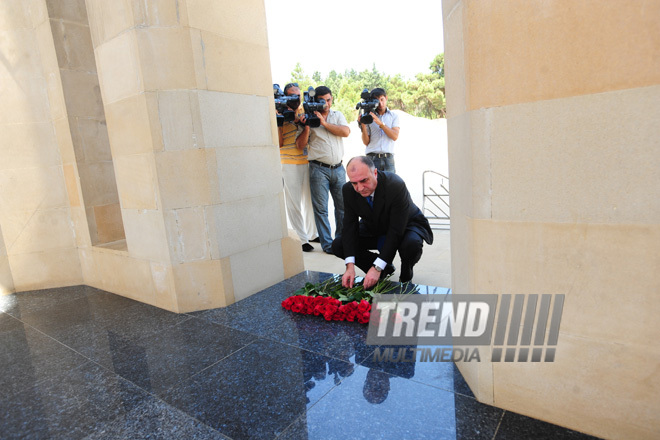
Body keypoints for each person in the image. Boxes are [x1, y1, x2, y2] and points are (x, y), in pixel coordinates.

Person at [332, 156, 433, 289]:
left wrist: (377, 267)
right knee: (339, 244)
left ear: (375, 173)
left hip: (406, 224)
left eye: (364, 181)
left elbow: (396, 231)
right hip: (374, 225)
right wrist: (349, 266)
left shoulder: (395, 185)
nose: (360, 188)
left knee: (411, 244)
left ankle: (406, 274)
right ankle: (384, 269)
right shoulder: (348, 190)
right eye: (354, 183)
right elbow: (350, 226)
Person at [296, 86, 350, 253]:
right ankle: (328, 245)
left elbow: (346, 132)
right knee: (321, 210)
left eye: (328, 99)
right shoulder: (308, 117)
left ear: (331, 99)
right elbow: (300, 145)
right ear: (315, 100)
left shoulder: (337, 115)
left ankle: (340, 241)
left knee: (342, 208)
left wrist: (324, 123)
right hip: (318, 169)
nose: (326, 103)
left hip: (339, 168)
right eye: (322, 100)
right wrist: (307, 126)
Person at [278, 83, 318, 252]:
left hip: (306, 161)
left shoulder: (304, 110)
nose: (296, 99)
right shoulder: (279, 112)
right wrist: (280, 119)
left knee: (310, 201)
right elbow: (278, 143)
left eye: (298, 95)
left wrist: (303, 122)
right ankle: (302, 239)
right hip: (288, 163)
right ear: (286, 97)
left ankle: (313, 233)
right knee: (293, 203)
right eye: (292, 96)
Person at [358, 88, 400, 173]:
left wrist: (381, 124)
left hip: (388, 159)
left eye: (382, 99)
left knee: (390, 185)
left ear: (386, 98)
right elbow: (366, 142)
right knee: (372, 186)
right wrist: (363, 124)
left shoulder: (393, 116)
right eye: (377, 101)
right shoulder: (369, 116)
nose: (380, 103)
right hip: (372, 158)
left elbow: (395, 136)